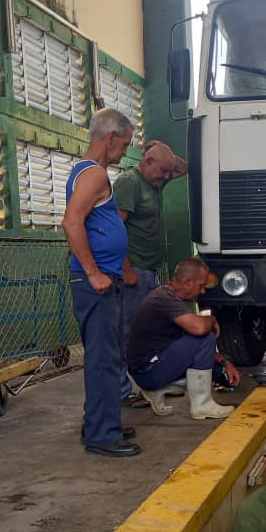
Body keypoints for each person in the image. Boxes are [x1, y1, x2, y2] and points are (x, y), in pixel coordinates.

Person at [62, 108, 141, 457]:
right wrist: (93, 272)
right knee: (103, 358)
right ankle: (101, 435)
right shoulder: (94, 176)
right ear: (109, 139)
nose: (125, 151)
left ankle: (101, 421)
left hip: (103, 278)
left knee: (106, 355)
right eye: (124, 144)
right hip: (96, 282)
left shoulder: (89, 174)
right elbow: (71, 223)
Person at [113, 140, 188, 408]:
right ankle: (121, 392)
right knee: (125, 332)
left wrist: (164, 148)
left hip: (149, 271)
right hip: (134, 271)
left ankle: (146, 382)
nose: (167, 176)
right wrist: (125, 268)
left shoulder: (155, 182)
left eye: (169, 172)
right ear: (147, 163)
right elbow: (115, 227)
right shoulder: (129, 182)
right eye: (162, 170)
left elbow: (184, 168)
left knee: (145, 329)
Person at [126, 257, 240, 419]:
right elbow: (199, 330)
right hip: (148, 373)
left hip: (150, 369)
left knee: (216, 371)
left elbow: (189, 341)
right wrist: (212, 320)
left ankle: (159, 390)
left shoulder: (169, 298)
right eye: (201, 286)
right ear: (187, 282)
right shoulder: (163, 299)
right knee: (205, 337)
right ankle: (202, 406)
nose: (203, 291)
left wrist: (225, 362)